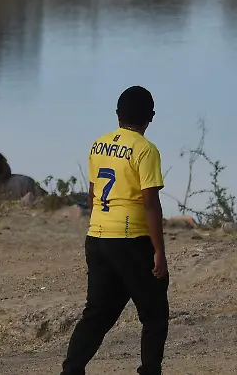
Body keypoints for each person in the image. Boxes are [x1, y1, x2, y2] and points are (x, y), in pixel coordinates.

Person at [60, 85, 169, 375]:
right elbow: (151, 205)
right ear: (152, 117)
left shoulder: (99, 144)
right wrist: (159, 251)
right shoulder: (146, 150)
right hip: (131, 239)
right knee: (154, 314)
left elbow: (92, 195)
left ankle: (70, 371)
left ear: (118, 115)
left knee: (97, 313)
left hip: (97, 236)